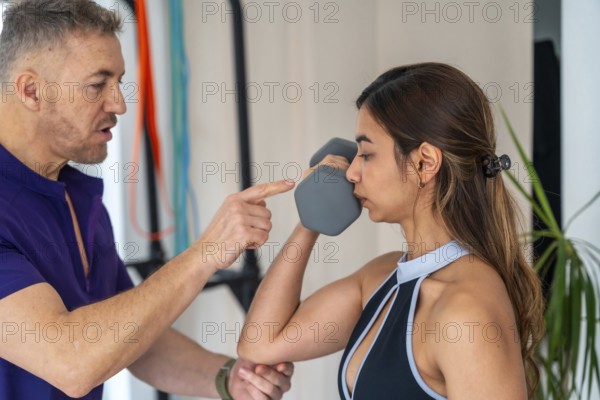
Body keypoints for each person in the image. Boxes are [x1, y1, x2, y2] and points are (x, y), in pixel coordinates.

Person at [0, 1, 295, 399]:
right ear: (31, 90)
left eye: (119, 82)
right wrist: (206, 253)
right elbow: (70, 360)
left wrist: (228, 378)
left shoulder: (76, 196)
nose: (119, 104)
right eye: (96, 85)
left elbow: (133, 335)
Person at [238, 63, 545, 399]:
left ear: (424, 163)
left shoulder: (465, 312)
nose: (351, 172)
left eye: (366, 154)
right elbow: (261, 343)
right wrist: (311, 220)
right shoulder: (383, 277)